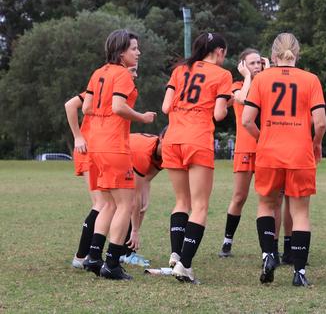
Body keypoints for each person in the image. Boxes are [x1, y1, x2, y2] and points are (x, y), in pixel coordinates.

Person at [242, 33, 326, 287]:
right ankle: (299, 272)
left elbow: (246, 120)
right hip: (300, 152)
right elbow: (320, 122)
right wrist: (316, 143)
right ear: (297, 53)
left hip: (269, 151)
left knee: (267, 205)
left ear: (273, 53)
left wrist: (264, 136)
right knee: (300, 213)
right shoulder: (310, 80)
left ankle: (269, 254)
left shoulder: (261, 79)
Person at [81, 29, 156, 280]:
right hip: (114, 145)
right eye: (134, 48)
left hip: (97, 145)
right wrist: (142, 118)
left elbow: (86, 106)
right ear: (121, 52)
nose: (138, 52)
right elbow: (118, 106)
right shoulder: (123, 73)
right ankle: (111, 263)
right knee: (126, 204)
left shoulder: (98, 72)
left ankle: (93, 257)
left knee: (108, 204)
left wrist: (102, 121)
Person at [162, 32, 232, 283]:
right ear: (220, 51)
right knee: (200, 205)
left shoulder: (181, 70)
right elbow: (219, 114)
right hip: (197, 138)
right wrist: (228, 101)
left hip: (172, 138)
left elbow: (165, 107)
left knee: (182, 201)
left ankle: (175, 254)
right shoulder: (223, 75)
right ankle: (185, 265)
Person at [218, 49, 284, 262]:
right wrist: (247, 77)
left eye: (259, 62)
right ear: (243, 65)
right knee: (240, 196)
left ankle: (272, 246)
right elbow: (243, 100)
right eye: (252, 63)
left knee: (274, 200)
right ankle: (228, 239)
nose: (257, 66)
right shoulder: (238, 86)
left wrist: (270, 71)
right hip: (246, 148)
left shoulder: (269, 85)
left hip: (270, 148)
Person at [65, 91, 105, 269]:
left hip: (101, 150)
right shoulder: (99, 86)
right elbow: (70, 105)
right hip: (89, 149)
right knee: (102, 204)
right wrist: (78, 136)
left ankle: (88, 254)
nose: (135, 74)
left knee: (105, 204)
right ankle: (81, 256)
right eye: (132, 69)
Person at [120, 130, 165, 266]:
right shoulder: (144, 152)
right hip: (113, 155)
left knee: (141, 206)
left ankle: (127, 252)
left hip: (128, 159)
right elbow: (136, 195)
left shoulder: (165, 154)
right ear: (162, 138)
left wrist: (146, 199)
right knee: (117, 206)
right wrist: (135, 230)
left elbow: (146, 179)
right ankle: (123, 253)